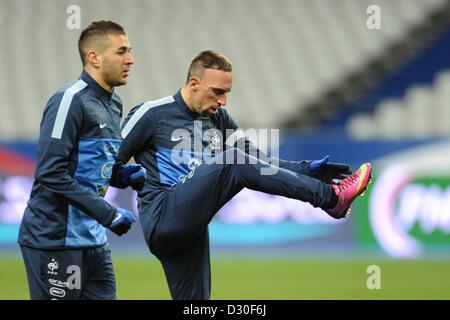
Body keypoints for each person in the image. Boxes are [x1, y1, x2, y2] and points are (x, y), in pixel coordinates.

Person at [117, 50, 372, 300]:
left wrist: (307, 169)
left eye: (227, 93)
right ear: (194, 83)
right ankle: (330, 199)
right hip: (162, 215)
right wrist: (124, 181)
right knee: (233, 161)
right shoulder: (151, 113)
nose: (223, 101)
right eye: (217, 92)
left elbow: (258, 162)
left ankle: (327, 195)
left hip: (192, 226)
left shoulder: (220, 119)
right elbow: (108, 165)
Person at [18, 20, 146, 300]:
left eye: (130, 51)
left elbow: (89, 166)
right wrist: (107, 212)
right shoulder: (69, 100)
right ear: (94, 57)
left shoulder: (114, 103)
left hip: (93, 242)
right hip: (54, 240)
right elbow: (51, 174)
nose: (130, 59)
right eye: (122, 51)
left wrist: (120, 175)